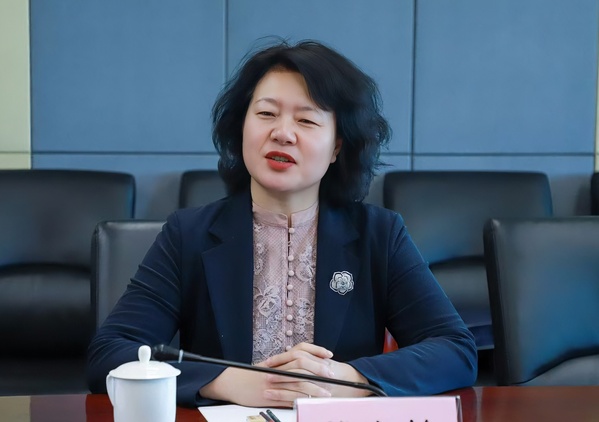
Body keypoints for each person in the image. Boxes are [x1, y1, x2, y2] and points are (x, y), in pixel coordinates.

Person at [87, 39, 477, 408]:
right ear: (242, 127)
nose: (282, 133)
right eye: (266, 114)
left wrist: (347, 379)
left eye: (306, 120)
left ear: (337, 146)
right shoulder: (188, 235)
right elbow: (110, 353)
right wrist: (226, 381)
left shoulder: (379, 235)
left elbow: (455, 350)